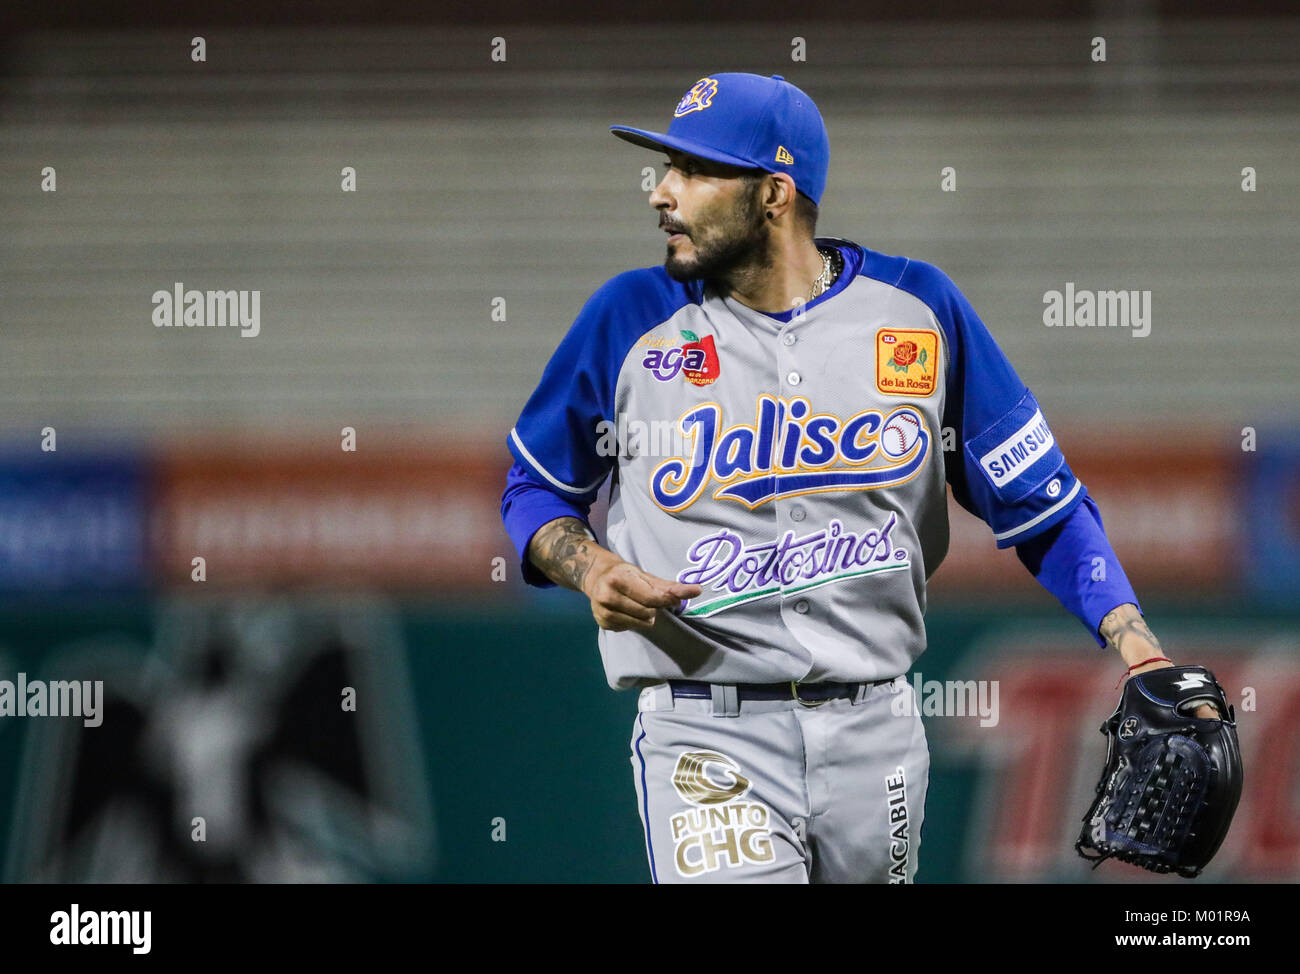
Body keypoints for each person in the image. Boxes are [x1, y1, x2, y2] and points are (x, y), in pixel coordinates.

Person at [499, 72, 1214, 884]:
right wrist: (588, 565)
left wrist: (1140, 652)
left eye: (692, 171)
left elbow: (1045, 504)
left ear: (774, 192)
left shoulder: (917, 310)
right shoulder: (629, 318)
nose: (661, 193)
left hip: (878, 728)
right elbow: (533, 490)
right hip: (707, 731)